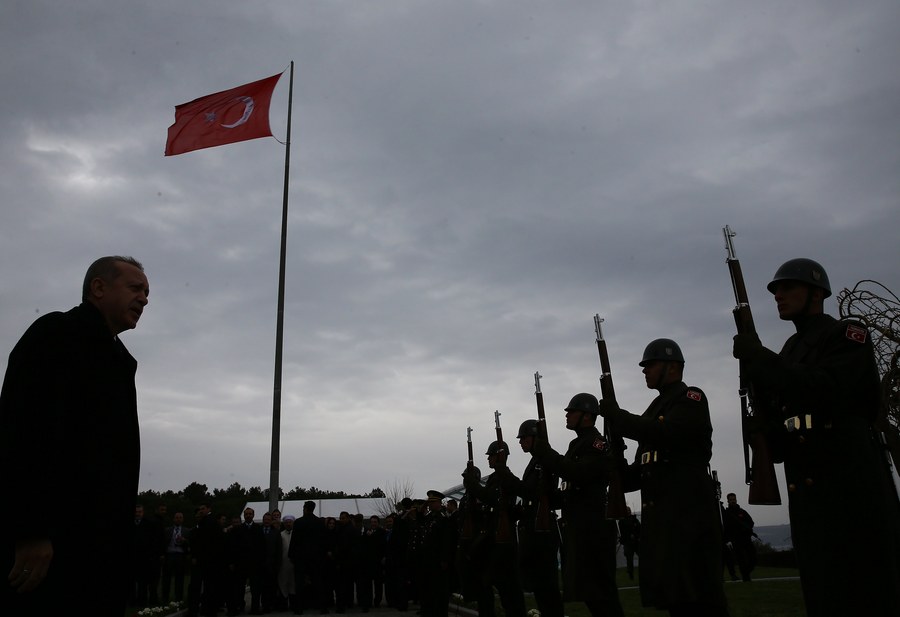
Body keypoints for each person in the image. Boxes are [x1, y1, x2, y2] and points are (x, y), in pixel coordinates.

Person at [732, 258, 900, 616]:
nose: (778, 295)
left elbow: (824, 388)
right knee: (823, 592)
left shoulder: (847, 334)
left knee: (866, 592)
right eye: (776, 290)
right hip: (809, 494)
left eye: (788, 287)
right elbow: (785, 424)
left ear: (817, 293)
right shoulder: (791, 349)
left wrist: (760, 357)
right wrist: (762, 430)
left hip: (850, 484)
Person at [0, 255, 149, 617]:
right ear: (98, 288)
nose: (144, 299)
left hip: (100, 545)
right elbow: (23, 431)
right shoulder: (56, 335)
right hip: (56, 545)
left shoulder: (119, 359)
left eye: (147, 293)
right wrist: (31, 531)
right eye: (135, 288)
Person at [598, 339, 728, 617]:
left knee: (702, 603)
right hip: (664, 527)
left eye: (651, 364)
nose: (644, 370)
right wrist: (615, 460)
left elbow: (666, 433)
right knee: (678, 604)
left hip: (689, 520)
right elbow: (636, 476)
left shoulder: (690, 398)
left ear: (672, 367)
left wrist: (618, 417)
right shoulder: (656, 408)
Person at [530, 394, 624, 617]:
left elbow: (577, 473)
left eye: (572, 411)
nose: (567, 415)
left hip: (593, 527)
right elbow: (569, 486)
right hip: (579, 527)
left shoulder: (597, 443)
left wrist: (546, 453)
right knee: (590, 595)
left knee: (602, 596)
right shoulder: (576, 444)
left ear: (587, 416)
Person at [462, 440, 526, 617]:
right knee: (487, 583)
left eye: (491, 455)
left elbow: (492, 498)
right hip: (491, 537)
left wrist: (473, 485)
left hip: (503, 540)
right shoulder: (493, 478)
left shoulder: (505, 477)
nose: (488, 459)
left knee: (509, 589)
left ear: (500, 456)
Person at [512, 419, 564, 617]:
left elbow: (536, 492)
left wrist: (509, 479)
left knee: (547, 587)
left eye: (524, 437)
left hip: (543, 530)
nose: (520, 442)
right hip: (533, 527)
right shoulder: (535, 461)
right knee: (540, 588)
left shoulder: (545, 459)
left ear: (535, 437)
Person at [721, 494, 755, 582]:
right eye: (731, 500)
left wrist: (746, 529)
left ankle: (746, 573)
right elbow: (726, 527)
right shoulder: (726, 514)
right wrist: (728, 539)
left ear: (736, 500)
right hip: (735, 540)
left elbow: (751, 522)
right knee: (741, 559)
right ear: (728, 501)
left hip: (746, 538)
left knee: (753, 557)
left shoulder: (742, 511)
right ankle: (746, 577)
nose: (733, 501)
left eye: (734, 499)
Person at [162, 511, 191, 604]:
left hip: (180, 556)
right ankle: (165, 598)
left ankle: (178, 598)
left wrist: (184, 540)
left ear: (183, 519)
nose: (178, 519)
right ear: (173, 519)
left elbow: (191, 543)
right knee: (166, 578)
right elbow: (163, 543)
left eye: (180, 517)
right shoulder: (167, 530)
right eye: (177, 517)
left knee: (180, 578)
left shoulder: (187, 531)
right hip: (169, 555)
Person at [617, 507, 641, 581]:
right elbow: (623, 532)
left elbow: (639, 529)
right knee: (629, 559)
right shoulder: (621, 521)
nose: (628, 512)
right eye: (627, 510)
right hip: (628, 543)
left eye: (629, 510)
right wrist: (630, 534)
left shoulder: (634, 519)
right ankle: (630, 574)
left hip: (636, 542)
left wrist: (636, 535)